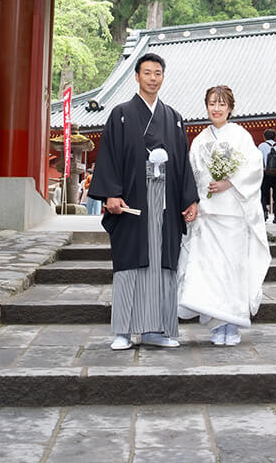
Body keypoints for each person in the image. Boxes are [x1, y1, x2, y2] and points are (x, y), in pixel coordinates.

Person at [88, 53, 198, 350]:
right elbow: (109, 155)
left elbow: (183, 163)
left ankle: (155, 330)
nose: (152, 78)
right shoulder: (121, 114)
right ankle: (123, 331)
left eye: (158, 73)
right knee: (129, 264)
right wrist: (111, 191)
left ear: (163, 77)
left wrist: (189, 198)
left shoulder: (173, 117)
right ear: (136, 76)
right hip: (132, 201)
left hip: (166, 201)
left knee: (162, 264)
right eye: (147, 72)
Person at [178, 85, 271, 346]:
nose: (216, 108)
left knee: (233, 270)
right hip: (208, 215)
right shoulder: (199, 141)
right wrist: (193, 202)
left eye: (221, 104)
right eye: (211, 103)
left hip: (233, 214)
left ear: (230, 107)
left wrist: (229, 183)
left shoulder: (241, 136)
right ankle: (217, 325)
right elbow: (192, 175)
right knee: (211, 271)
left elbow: (254, 169)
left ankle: (233, 323)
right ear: (206, 106)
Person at [258, 129, 276, 224]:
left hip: (266, 173)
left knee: (263, 194)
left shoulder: (261, 146)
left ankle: (264, 212)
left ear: (264, 137)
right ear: (274, 137)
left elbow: (258, 160)